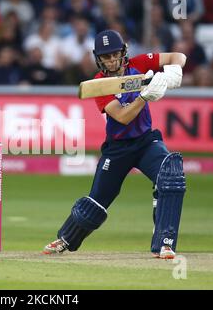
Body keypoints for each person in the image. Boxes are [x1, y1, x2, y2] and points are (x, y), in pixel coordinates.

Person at [43, 30, 187, 259]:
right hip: (118, 148)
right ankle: (65, 238)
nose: (111, 60)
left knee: (171, 176)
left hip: (146, 142)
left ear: (124, 52)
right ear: (98, 58)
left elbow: (177, 55)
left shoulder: (139, 64)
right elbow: (122, 117)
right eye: (106, 56)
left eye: (115, 54)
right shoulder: (100, 84)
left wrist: (173, 71)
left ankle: (164, 243)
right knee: (96, 202)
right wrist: (145, 96)